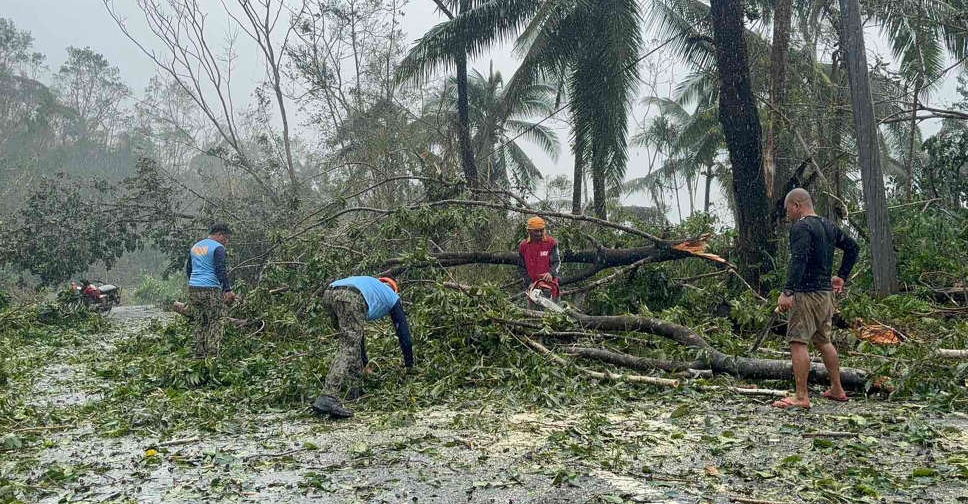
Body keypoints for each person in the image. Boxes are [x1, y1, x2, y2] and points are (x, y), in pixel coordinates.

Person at [773, 188, 859, 409]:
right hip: (825, 295)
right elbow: (852, 247)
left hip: (806, 294)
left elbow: (799, 259)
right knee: (823, 341)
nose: (787, 215)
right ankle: (837, 389)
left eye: (788, 210)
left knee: (797, 341)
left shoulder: (801, 226)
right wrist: (841, 276)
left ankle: (801, 397)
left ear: (796, 205)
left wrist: (788, 291)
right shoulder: (828, 226)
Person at [312, 276, 414, 419]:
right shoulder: (392, 296)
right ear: (394, 289)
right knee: (348, 347)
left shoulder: (371, 286)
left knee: (351, 341)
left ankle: (355, 388)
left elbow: (358, 336)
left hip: (330, 292)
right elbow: (404, 336)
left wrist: (365, 364)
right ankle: (328, 396)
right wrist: (409, 366)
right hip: (351, 296)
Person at [185, 223, 237, 359]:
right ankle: (213, 355)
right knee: (217, 319)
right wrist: (227, 290)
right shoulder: (218, 248)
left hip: (193, 288)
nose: (226, 242)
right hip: (210, 288)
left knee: (200, 320)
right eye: (225, 238)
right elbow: (220, 269)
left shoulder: (195, 247)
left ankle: (199, 354)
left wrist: (194, 283)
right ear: (219, 234)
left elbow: (189, 269)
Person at [518, 216, 561, 301]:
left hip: (550, 286)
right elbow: (521, 267)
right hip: (533, 287)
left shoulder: (551, 243)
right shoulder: (524, 246)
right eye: (536, 231)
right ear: (529, 231)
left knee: (553, 313)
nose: (539, 233)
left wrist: (550, 273)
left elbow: (557, 262)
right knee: (532, 313)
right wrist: (529, 283)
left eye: (541, 230)